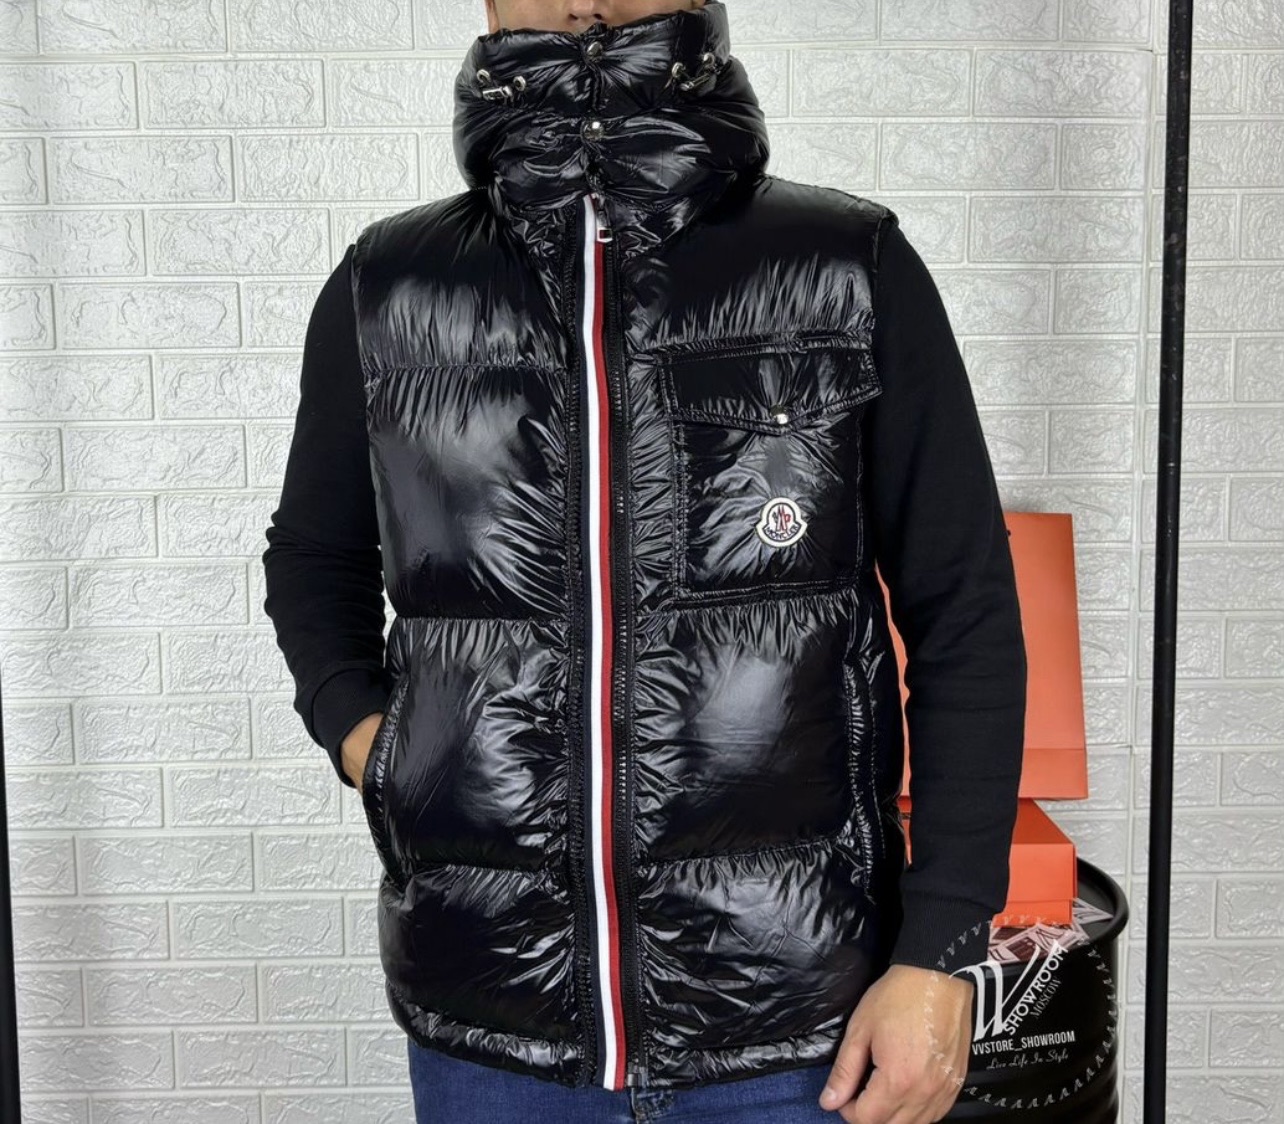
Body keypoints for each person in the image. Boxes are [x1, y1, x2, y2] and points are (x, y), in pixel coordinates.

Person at [261, 1, 1028, 1121]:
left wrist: (944, 944)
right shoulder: (391, 287)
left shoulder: (844, 267)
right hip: (493, 1026)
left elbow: (964, 608)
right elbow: (313, 557)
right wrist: (374, 744)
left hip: (797, 1026)